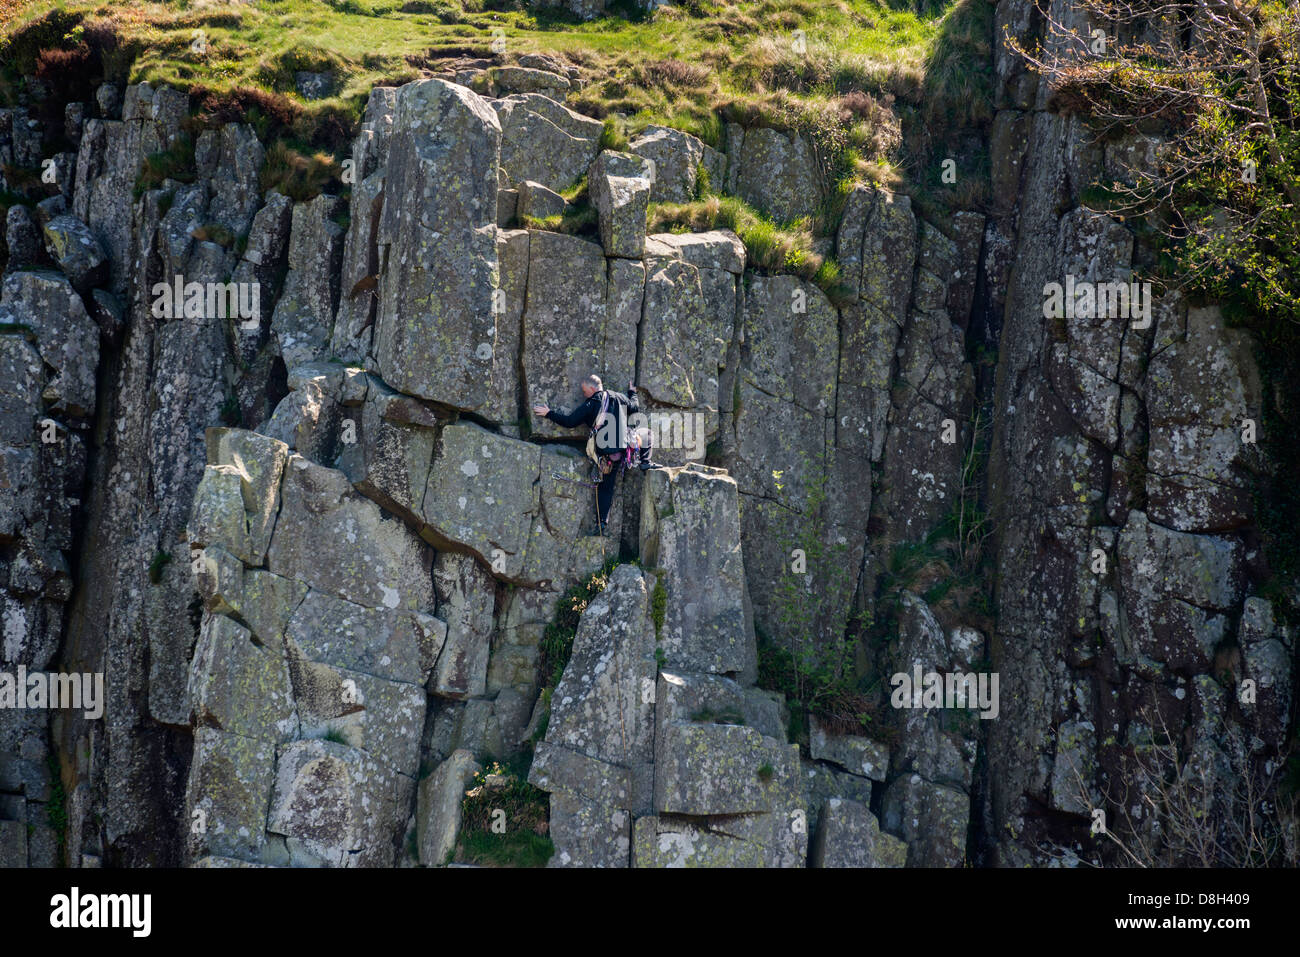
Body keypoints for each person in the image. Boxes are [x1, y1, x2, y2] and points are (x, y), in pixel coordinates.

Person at [532, 374, 649, 533]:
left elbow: (570, 422)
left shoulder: (591, 404)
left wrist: (548, 413)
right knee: (646, 434)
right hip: (622, 452)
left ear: (593, 388)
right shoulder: (618, 397)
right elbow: (634, 407)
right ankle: (644, 462)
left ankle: (601, 524)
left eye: (584, 390)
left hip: (606, 456)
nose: (583, 393)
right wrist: (632, 392)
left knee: (605, 488)